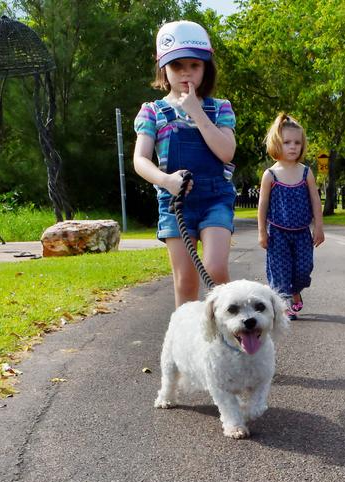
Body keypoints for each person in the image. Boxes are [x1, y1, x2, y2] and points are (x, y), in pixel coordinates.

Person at [133, 20, 237, 307]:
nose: (186, 73)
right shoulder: (152, 112)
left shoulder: (220, 109)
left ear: (206, 68)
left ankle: (228, 342)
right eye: (177, 66)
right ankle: (186, 346)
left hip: (216, 198)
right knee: (186, 282)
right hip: (174, 202)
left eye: (194, 65)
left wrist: (195, 111)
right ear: (163, 68)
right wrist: (165, 180)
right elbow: (140, 160)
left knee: (216, 271)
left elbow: (227, 152)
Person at [257, 113, 324, 320]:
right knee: (281, 272)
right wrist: (262, 232)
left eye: (297, 142)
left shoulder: (306, 173)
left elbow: (315, 201)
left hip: (302, 233)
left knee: (303, 270)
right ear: (277, 143)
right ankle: (284, 305)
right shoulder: (270, 174)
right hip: (277, 234)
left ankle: (296, 291)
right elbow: (263, 205)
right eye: (287, 142)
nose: (293, 146)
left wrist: (319, 227)